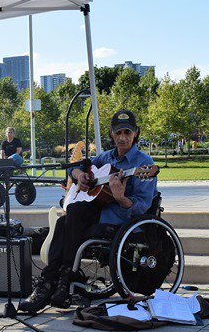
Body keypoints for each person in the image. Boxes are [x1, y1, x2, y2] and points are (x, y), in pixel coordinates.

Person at [19, 109, 157, 313]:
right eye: (118, 133)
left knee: (71, 215)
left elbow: (143, 206)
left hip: (122, 219)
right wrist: (79, 175)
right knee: (66, 219)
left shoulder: (144, 164)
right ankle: (59, 280)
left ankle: (53, 282)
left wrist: (121, 198)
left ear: (136, 133)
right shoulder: (106, 157)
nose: (122, 138)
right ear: (111, 133)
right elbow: (74, 168)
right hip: (94, 214)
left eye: (127, 132)